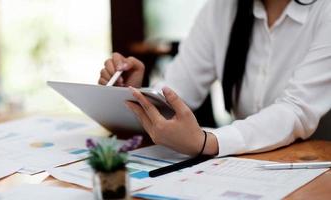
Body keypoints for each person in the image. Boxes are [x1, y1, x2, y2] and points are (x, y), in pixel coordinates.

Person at [98, 0, 331, 157]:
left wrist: (207, 141)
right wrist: (139, 96)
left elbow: (296, 110)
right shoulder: (222, 8)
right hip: (249, 165)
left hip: (316, 167)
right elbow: (177, 90)